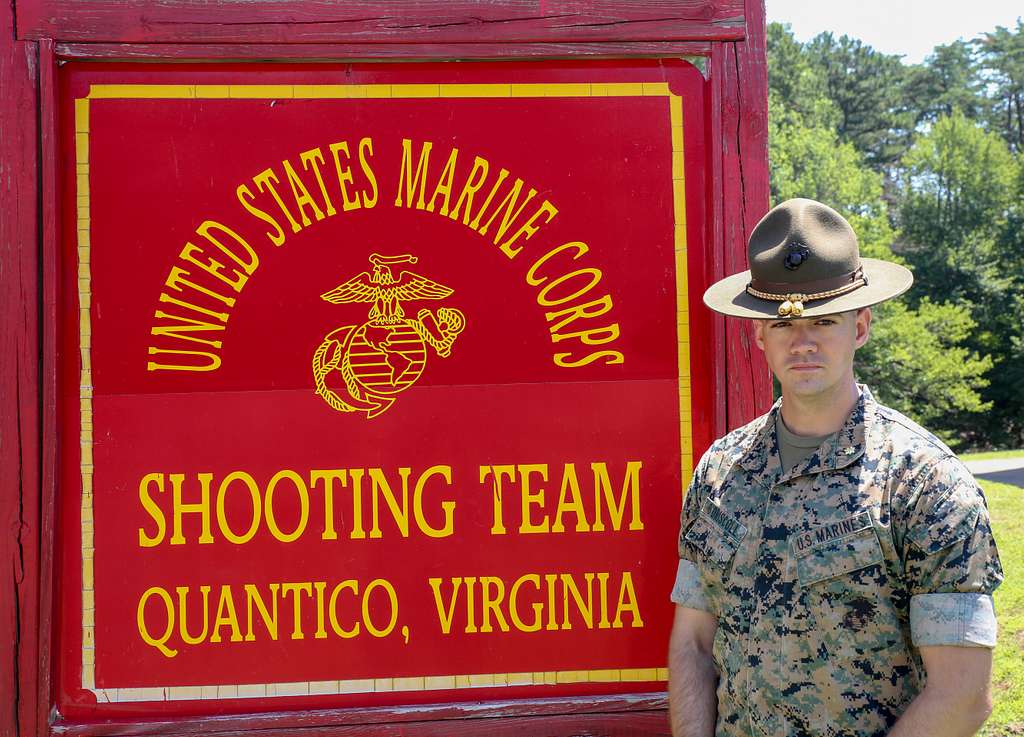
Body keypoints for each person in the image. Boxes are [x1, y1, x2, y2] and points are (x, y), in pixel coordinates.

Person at [668, 198, 1003, 737]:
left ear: (862, 328)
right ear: (759, 336)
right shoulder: (720, 473)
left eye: (825, 321)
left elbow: (963, 693)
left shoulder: (924, 481)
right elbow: (693, 643)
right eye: (783, 325)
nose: (803, 342)